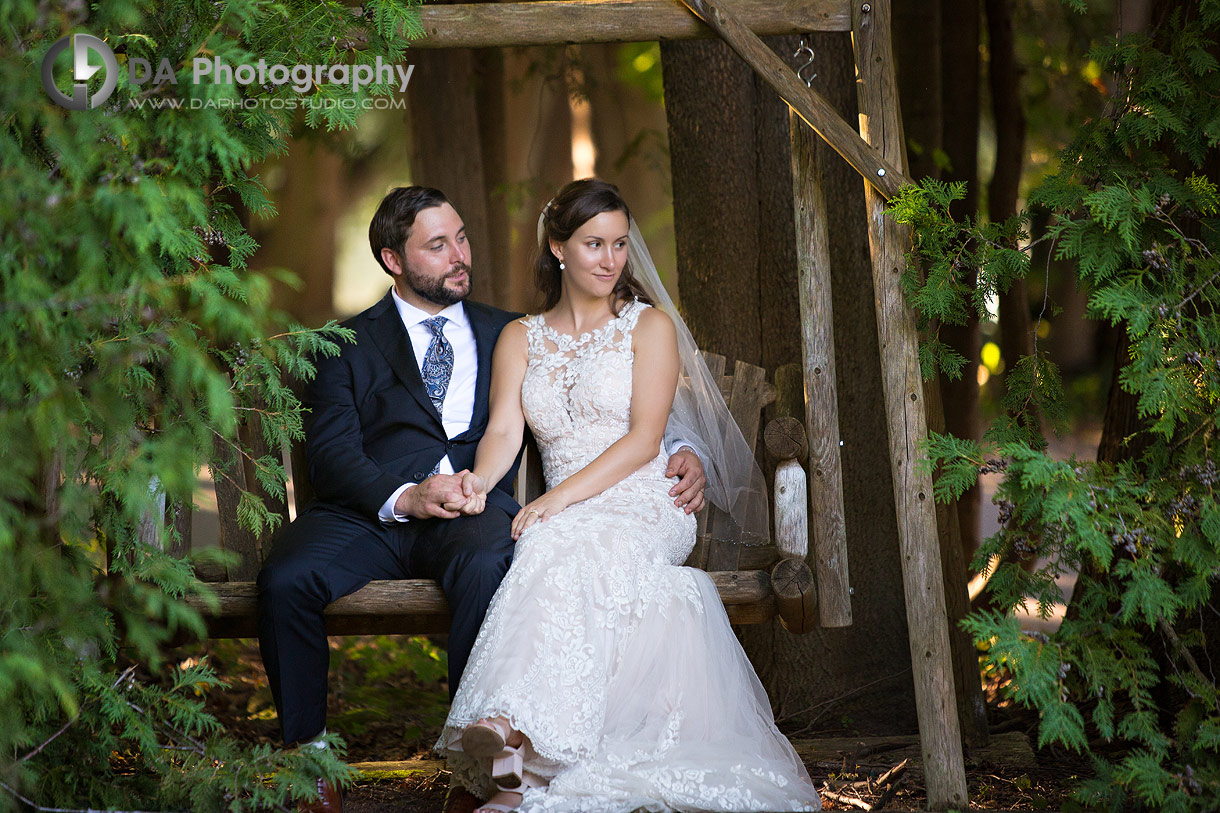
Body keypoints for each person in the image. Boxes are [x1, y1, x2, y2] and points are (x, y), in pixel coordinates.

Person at [255, 186, 708, 813]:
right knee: (286, 578)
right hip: (371, 516)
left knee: (494, 560)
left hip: (471, 512)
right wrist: (407, 496)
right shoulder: (345, 344)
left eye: (462, 239)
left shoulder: (505, 329)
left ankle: (478, 773)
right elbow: (331, 455)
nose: (459, 255)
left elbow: (635, 411)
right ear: (393, 259)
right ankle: (307, 767)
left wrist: (692, 452)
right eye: (438, 246)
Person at [436, 179, 821, 813]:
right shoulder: (520, 338)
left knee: (556, 536)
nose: (611, 259)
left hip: (644, 499)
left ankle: (514, 736)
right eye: (593, 244)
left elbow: (646, 441)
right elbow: (504, 430)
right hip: (569, 508)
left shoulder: (648, 327)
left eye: (619, 244)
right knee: (551, 542)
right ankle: (515, 749)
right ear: (558, 247)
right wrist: (478, 482)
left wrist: (556, 502)